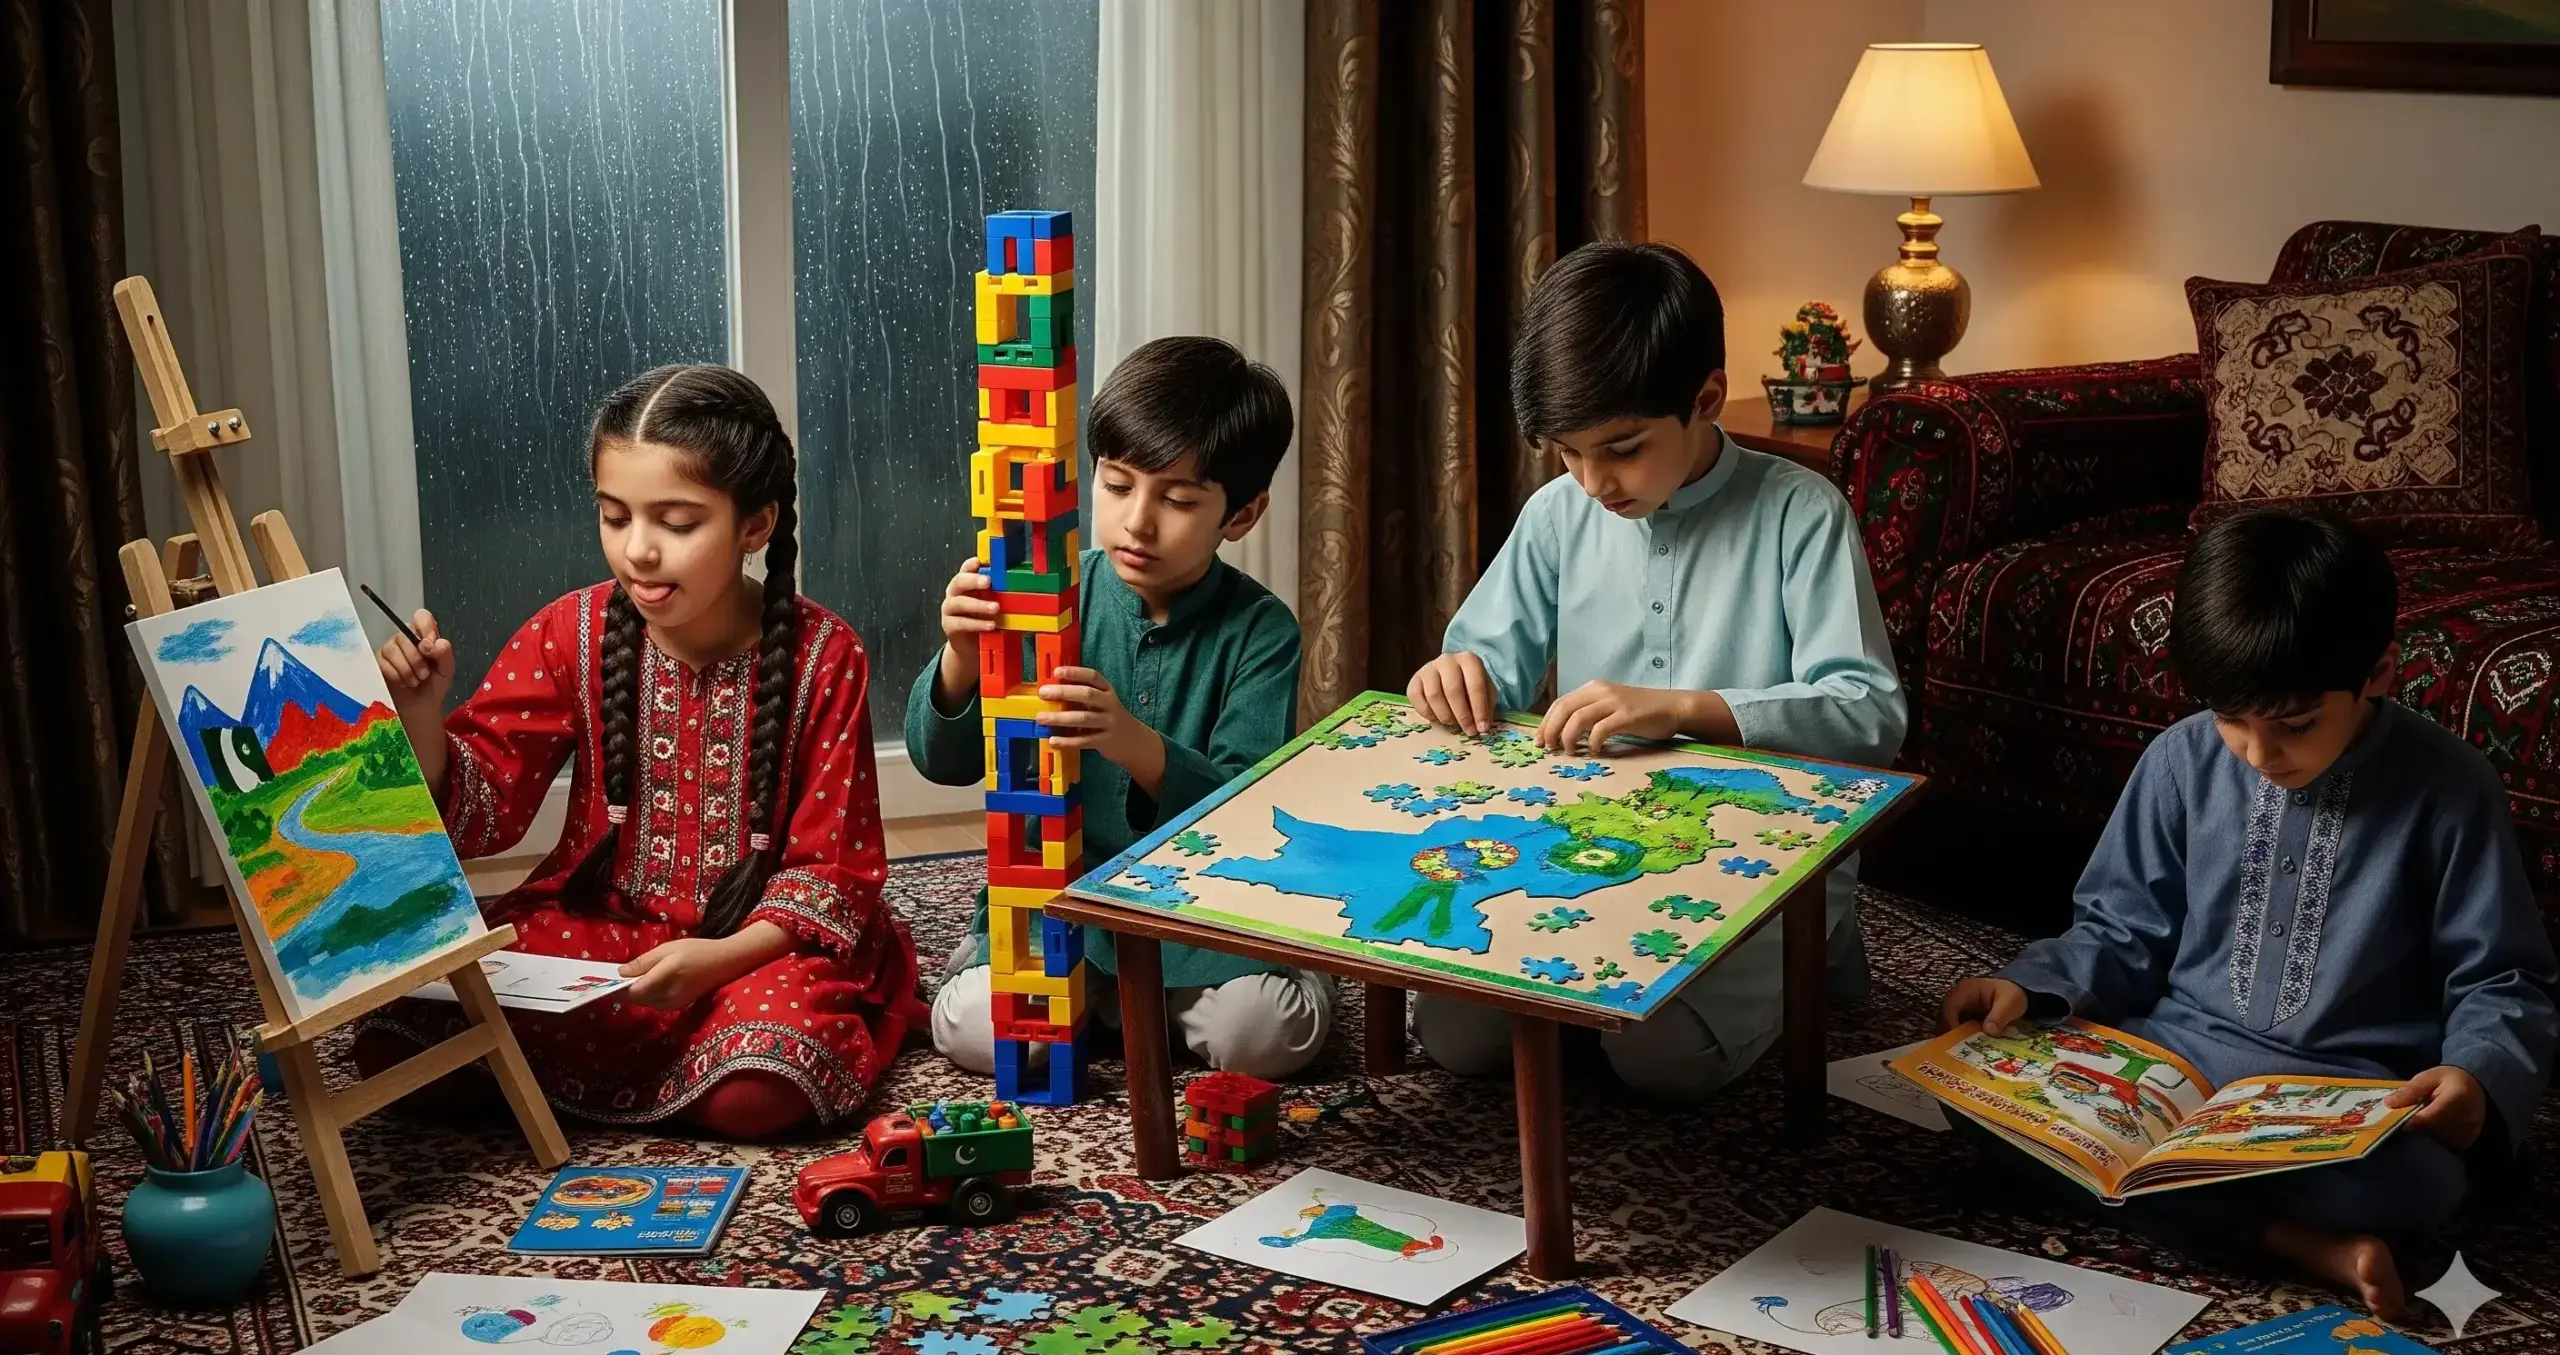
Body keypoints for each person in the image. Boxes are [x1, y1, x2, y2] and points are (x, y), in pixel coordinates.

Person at [1942, 510, 2559, 1317]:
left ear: (2377, 672)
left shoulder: (2448, 788)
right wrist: (2028, 988)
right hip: (2173, 1066)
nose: (2260, 755)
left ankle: (2257, 1218)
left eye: (2295, 725)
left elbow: (2503, 975)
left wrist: (2475, 1078)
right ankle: (2293, 1243)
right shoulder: (2180, 759)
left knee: (2416, 1181)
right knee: (1972, 1099)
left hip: (2349, 1102)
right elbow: (2119, 929)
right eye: (2232, 720)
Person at [358, 364, 924, 1139]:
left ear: (756, 525)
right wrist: (421, 715)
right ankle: (645, 1075)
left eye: (678, 522)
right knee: (397, 1046)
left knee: (760, 1092)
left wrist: (715, 962)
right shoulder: (569, 631)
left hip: (758, 947)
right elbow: (484, 808)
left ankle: (610, 1078)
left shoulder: (827, 656)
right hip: (598, 927)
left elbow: (835, 871)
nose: (639, 552)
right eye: (615, 516)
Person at [1404, 241, 1905, 1100]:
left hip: (1758, 851)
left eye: (1623, 448)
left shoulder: (1801, 514)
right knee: (1455, 1035)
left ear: (1706, 398)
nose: (1594, 480)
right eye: (1568, 452)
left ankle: (1814, 953)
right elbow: (1484, 658)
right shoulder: (1558, 513)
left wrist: (1682, 708)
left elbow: (1868, 715)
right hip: (1586, 842)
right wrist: (1454, 675)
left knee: (1663, 1057)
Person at [915, 335, 1327, 1078]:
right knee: (978, 1031)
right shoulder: (1047, 590)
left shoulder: (1262, 631)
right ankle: (1079, 996)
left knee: (1259, 1037)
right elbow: (939, 761)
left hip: (1198, 918)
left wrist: (1136, 744)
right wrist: (961, 657)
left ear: (1243, 513)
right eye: (1117, 484)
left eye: (1177, 499)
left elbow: (1249, 813)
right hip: (1061, 901)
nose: (1139, 521)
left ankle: (1283, 974)